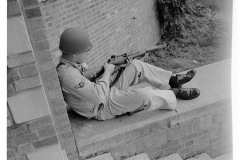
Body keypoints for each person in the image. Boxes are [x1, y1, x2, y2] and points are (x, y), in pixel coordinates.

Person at [57, 27, 200, 120]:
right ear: (74, 54)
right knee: (144, 95)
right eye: (85, 51)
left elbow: (91, 80)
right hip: (101, 107)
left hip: (104, 92)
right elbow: (98, 96)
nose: (87, 54)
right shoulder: (67, 75)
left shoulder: (74, 63)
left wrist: (119, 66)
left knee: (135, 65)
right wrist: (107, 72)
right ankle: (175, 93)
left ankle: (172, 80)